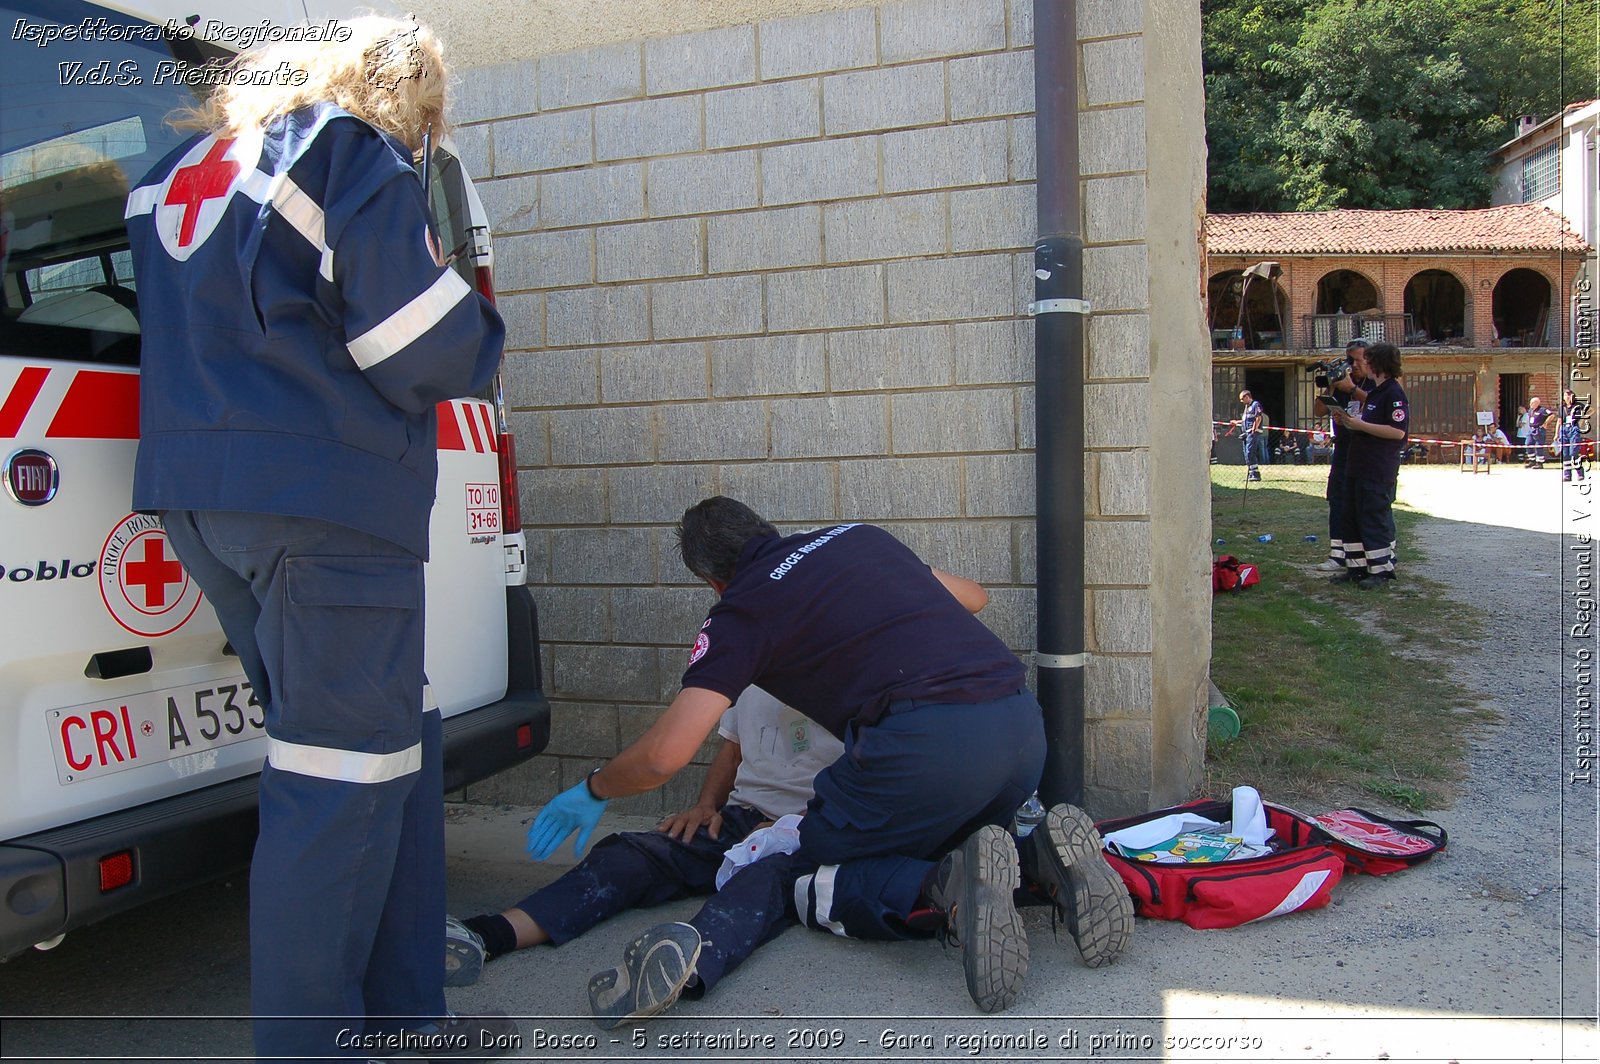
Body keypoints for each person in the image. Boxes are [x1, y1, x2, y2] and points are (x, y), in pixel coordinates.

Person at [125, 17, 513, 1062]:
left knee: (390, 751)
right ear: (403, 95)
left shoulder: (170, 175)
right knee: (335, 785)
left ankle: (403, 1021)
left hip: (205, 505)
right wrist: (486, 328)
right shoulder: (349, 150)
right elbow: (421, 343)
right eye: (427, 114)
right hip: (327, 507)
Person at [523, 498, 1133, 1021]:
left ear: (712, 582)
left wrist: (593, 790)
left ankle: (947, 888)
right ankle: (1036, 858)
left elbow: (665, 755)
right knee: (931, 836)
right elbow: (973, 597)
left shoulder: (741, 611)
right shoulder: (858, 539)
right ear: (765, 529)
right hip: (1020, 731)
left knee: (805, 867)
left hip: (923, 749)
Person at [441, 686, 843, 1009]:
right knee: (631, 856)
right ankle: (488, 935)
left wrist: (803, 823)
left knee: (758, 884)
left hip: (814, 831)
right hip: (741, 819)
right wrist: (705, 806)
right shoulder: (752, 667)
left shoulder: (854, 672)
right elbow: (731, 752)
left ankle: (676, 970)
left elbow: (880, 777)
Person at [1328, 342, 1408, 588]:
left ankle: (1381, 571)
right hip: (1358, 465)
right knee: (1352, 516)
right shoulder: (1375, 393)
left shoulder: (1394, 393)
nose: (1359, 365)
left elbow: (1397, 432)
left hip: (1377, 467)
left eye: (1365, 360)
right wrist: (1349, 419)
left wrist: (1359, 425)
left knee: (1374, 516)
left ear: (1378, 364)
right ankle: (1357, 567)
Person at [1313, 338, 1374, 572]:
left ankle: (1368, 554)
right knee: (1337, 499)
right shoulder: (1340, 383)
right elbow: (1318, 411)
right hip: (1343, 449)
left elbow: (1378, 404)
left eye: (1358, 359)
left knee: (1365, 502)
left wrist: (1352, 390)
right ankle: (1337, 554)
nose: (1354, 365)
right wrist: (1331, 386)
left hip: (1367, 450)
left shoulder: (1375, 382)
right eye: (1350, 360)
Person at [1223, 390, 1264, 481]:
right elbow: (1246, 421)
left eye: (1242, 399)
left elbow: (1258, 417)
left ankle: (1255, 474)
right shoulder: (1247, 408)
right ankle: (1252, 473)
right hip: (1246, 433)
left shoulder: (1255, 405)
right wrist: (1236, 422)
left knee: (1250, 451)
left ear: (1247, 397)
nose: (1241, 401)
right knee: (1246, 453)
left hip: (1252, 433)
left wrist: (1254, 429)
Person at [1559, 389, 1588, 483]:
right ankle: (1567, 475)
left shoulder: (1578, 405)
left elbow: (1591, 410)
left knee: (1573, 452)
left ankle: (1580, 474)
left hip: (1573, 429)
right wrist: (1556, 434)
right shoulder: (1562, 407)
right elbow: (1559, 421)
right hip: (1564, 429)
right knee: (1565, 454)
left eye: (1569, 395)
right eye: (1565, 395)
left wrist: (1582, 420)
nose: (1567, 397)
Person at [1525, 396, 1554, 468]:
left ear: (1537, 403)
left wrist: (1546, 423)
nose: (1531, 404)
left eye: (1532, 403)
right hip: (1531, 429)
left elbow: (1552, 415)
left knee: (1538, 446)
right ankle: (1532, 460)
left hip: (1539, 430)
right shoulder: (1530, 410)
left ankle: (1539, 463)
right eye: (1530, 403)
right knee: (1528, 444)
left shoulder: (1542, 410)